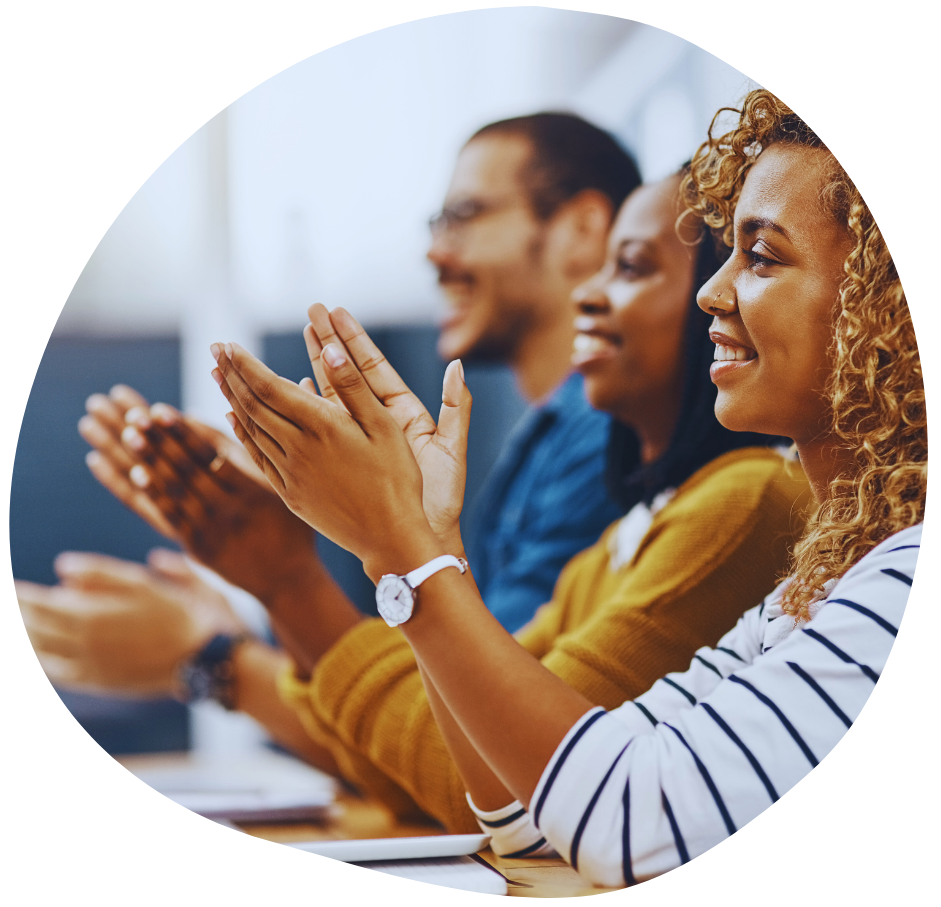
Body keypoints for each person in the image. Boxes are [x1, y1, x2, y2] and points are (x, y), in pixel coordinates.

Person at [209, 88, 922, 882]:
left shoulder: (887, 573)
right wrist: (418, 539)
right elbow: (529, 809)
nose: (709, 292)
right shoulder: (801, 598)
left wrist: (398, 548)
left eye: (759, 256)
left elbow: (627, 817)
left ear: (884, 308)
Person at [19, 112, 639, 782]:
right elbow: (438, 730)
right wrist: (271, 586)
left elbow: (470, 750)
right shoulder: (545, 439)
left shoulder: (608, 439)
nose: (435, 254)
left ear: (582, 229)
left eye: (464, 216)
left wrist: (223, 646)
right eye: (435, 225)